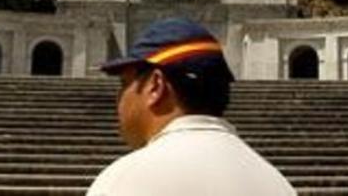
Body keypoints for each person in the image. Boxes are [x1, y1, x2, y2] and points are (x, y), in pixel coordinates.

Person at [87, 17, 297, 196]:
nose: (119, 98)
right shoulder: (277, 184)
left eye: (124, 84)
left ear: (155, 86)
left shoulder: (123, 182)